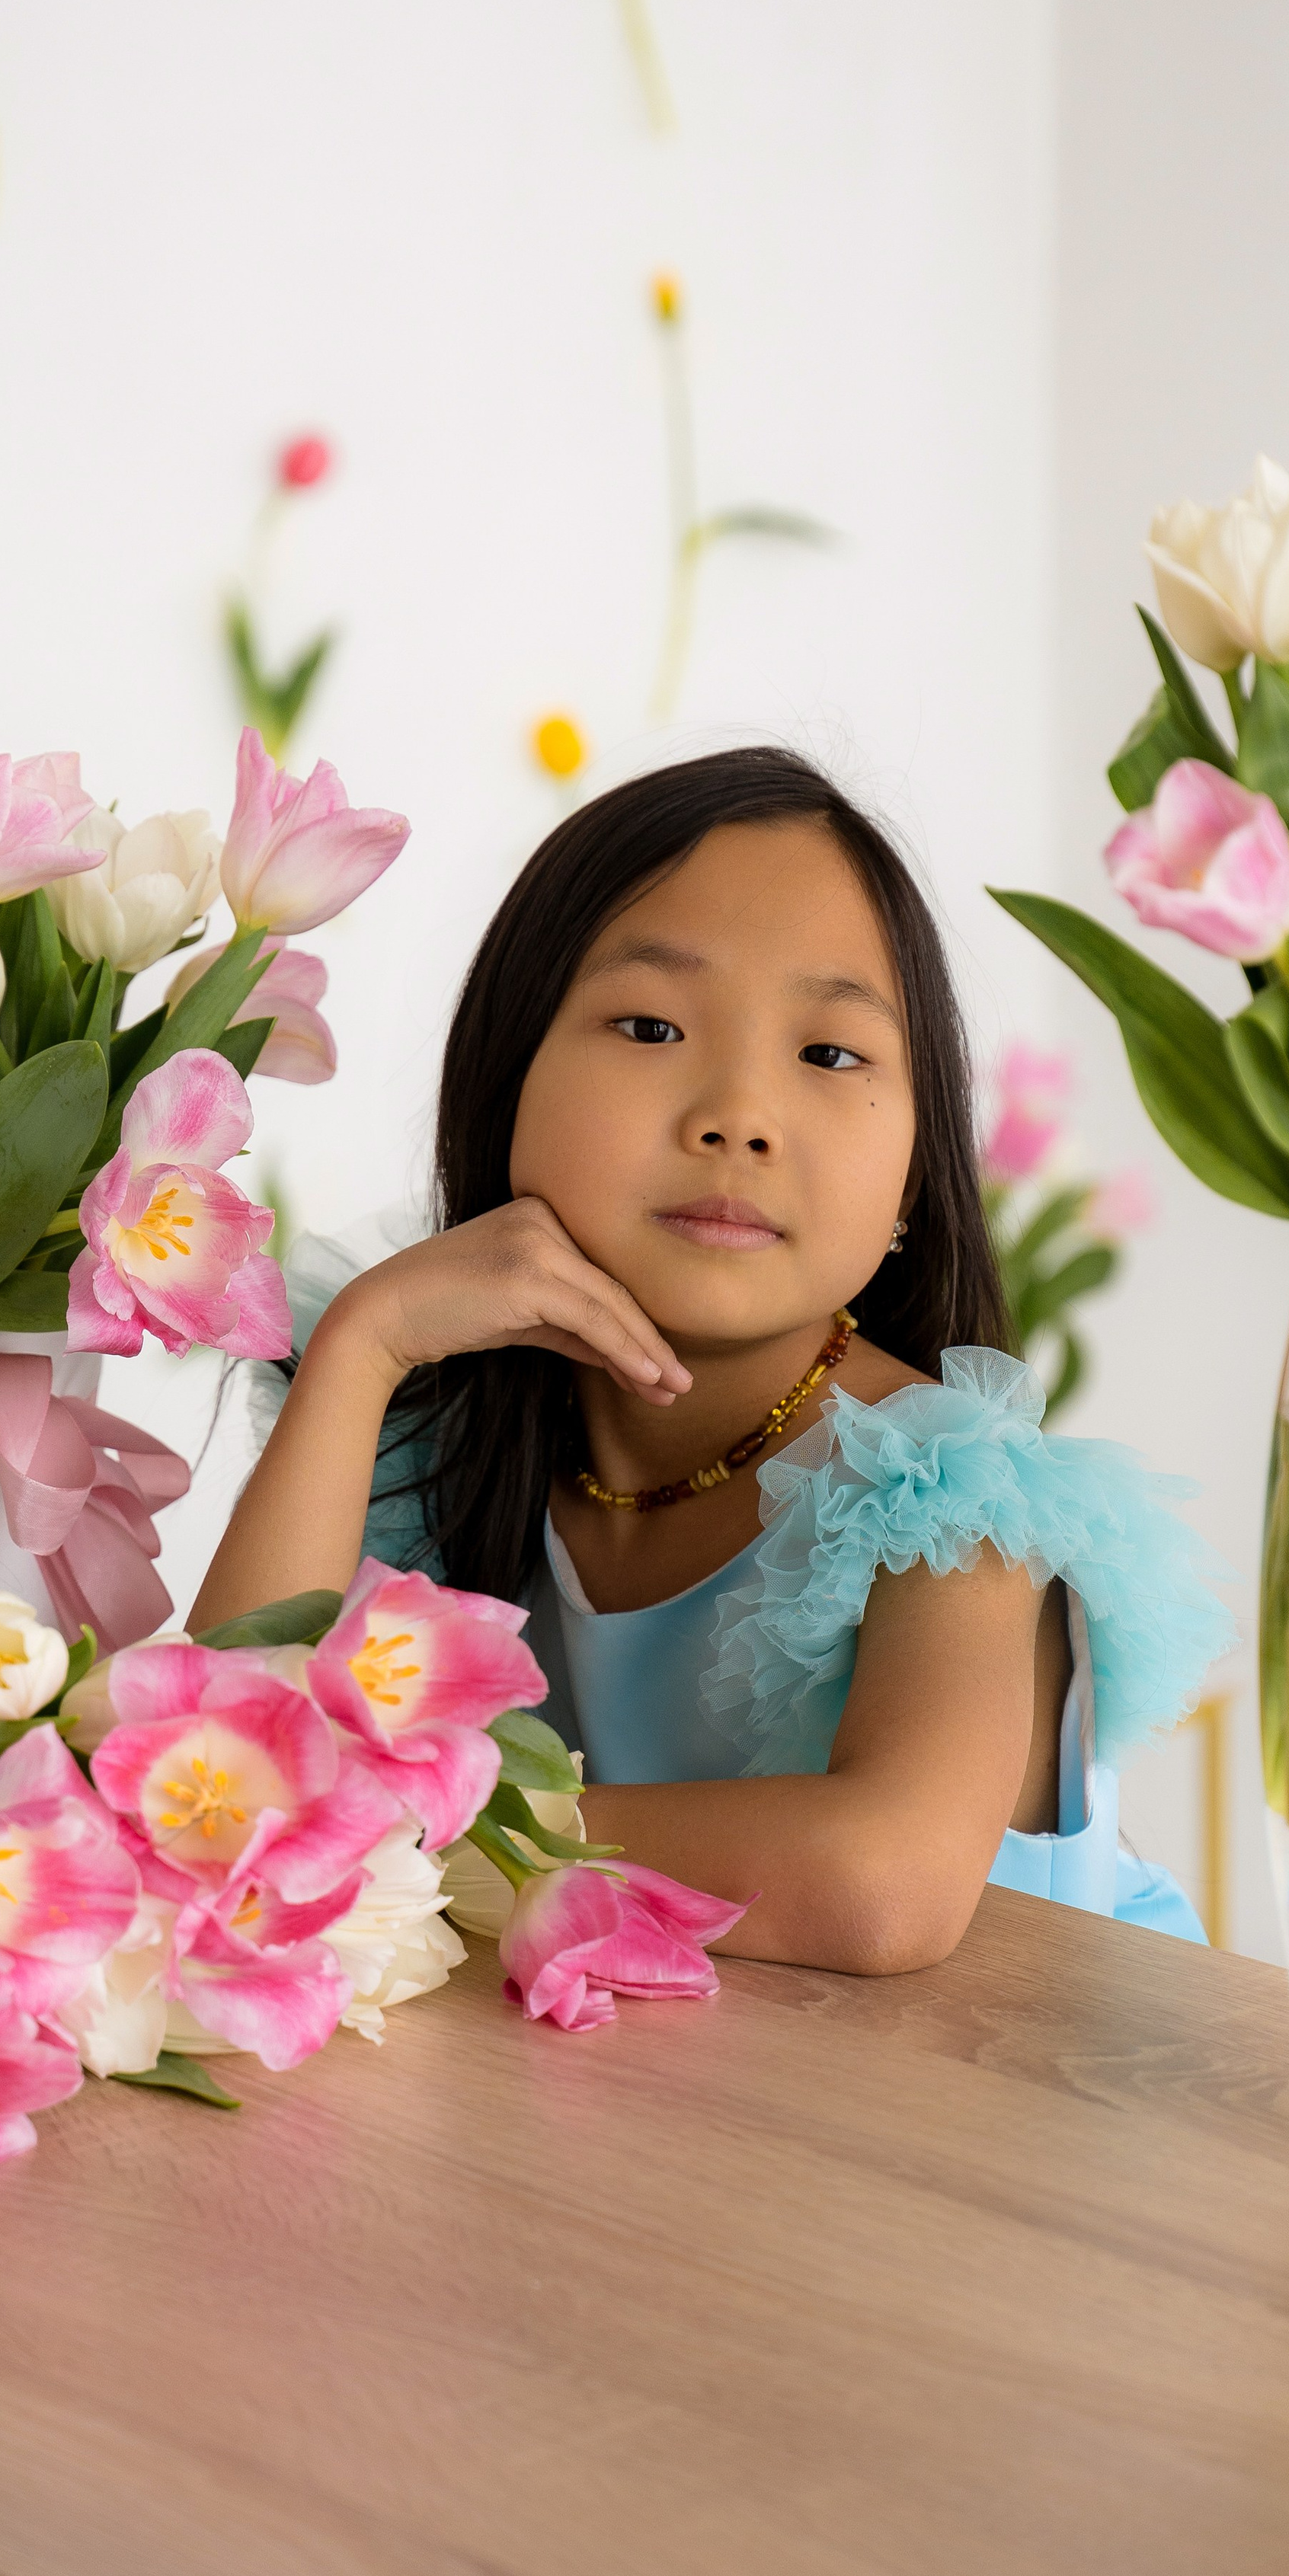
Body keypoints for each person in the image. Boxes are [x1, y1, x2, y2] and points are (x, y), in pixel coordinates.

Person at [194, 748, 1227, 1972]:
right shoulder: (438, 1431)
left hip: (1036, 2081)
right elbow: (211, 1778)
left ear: (914, 1169)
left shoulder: (949, 1493)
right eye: (651, 1025)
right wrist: (364, 1344)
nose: (738, 1115)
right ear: (508, 1076)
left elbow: (878, 1885)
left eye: (830, 1053)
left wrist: (379, 1832)